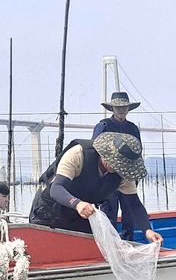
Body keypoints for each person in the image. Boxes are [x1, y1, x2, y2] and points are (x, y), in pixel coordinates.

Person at [29, 132, 163, 243]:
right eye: (118, 165)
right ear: (106, 156)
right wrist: (77, 204)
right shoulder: (78, 154)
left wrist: (147, 230)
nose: (120, 170)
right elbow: (57, 188)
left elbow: (135, 205)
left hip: (82, 216)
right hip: (49, 212)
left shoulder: (123, 173)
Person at [93, 92, 143, 240]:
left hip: (127, 176)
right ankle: (110, 244)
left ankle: (129, 243)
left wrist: (135, 177)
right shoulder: (103, 125)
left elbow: (138, 152)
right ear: (112, 108)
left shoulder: (133, 128)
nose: (121, 110)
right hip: (108, 177)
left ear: (128, 108)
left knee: (129, 212)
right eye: (118, 107)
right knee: (109, 212)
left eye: (124, 107)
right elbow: (94, 149)